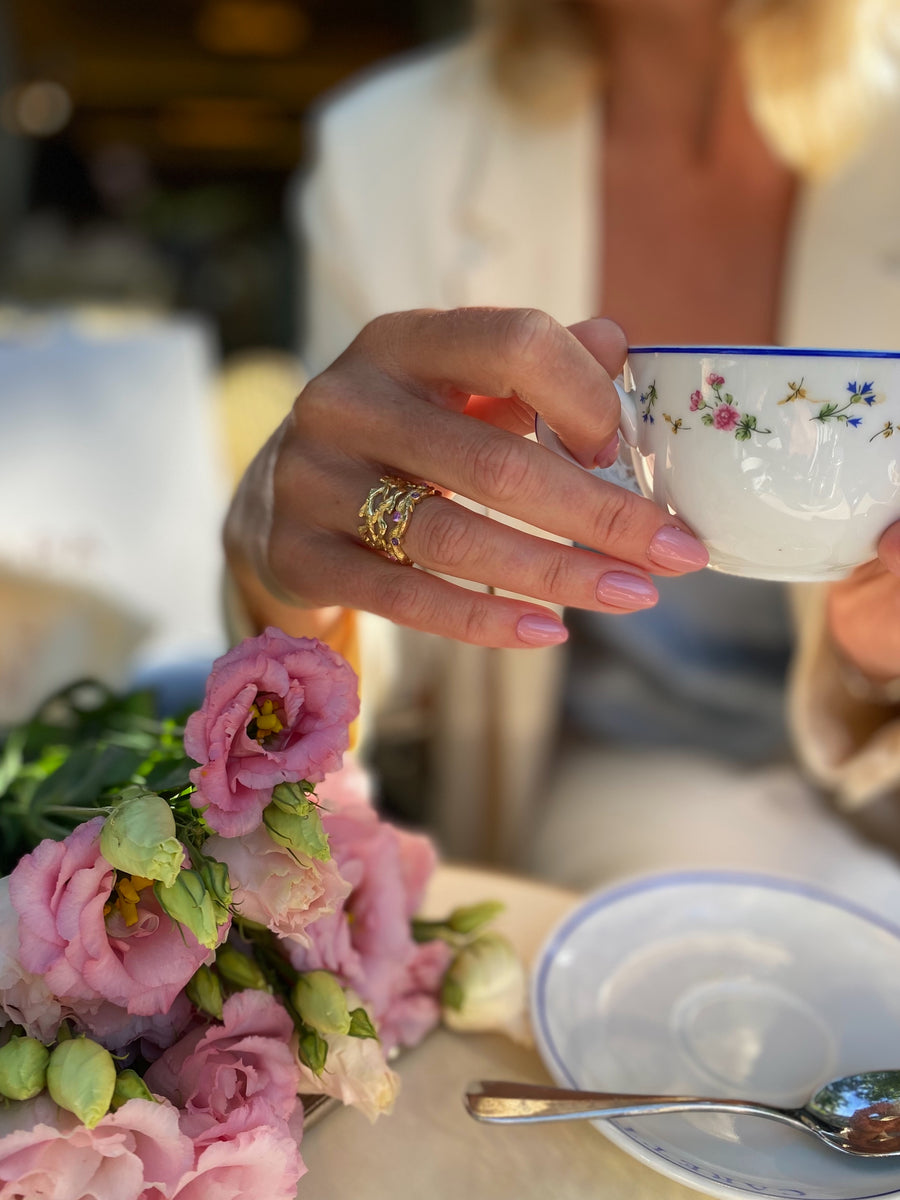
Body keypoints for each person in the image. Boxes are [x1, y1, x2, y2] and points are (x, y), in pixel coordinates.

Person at [225, 0, 900, 900]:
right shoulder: (392, 154)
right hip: (595, 837)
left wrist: (872, 669)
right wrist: (289, 556)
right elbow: (390, 644)